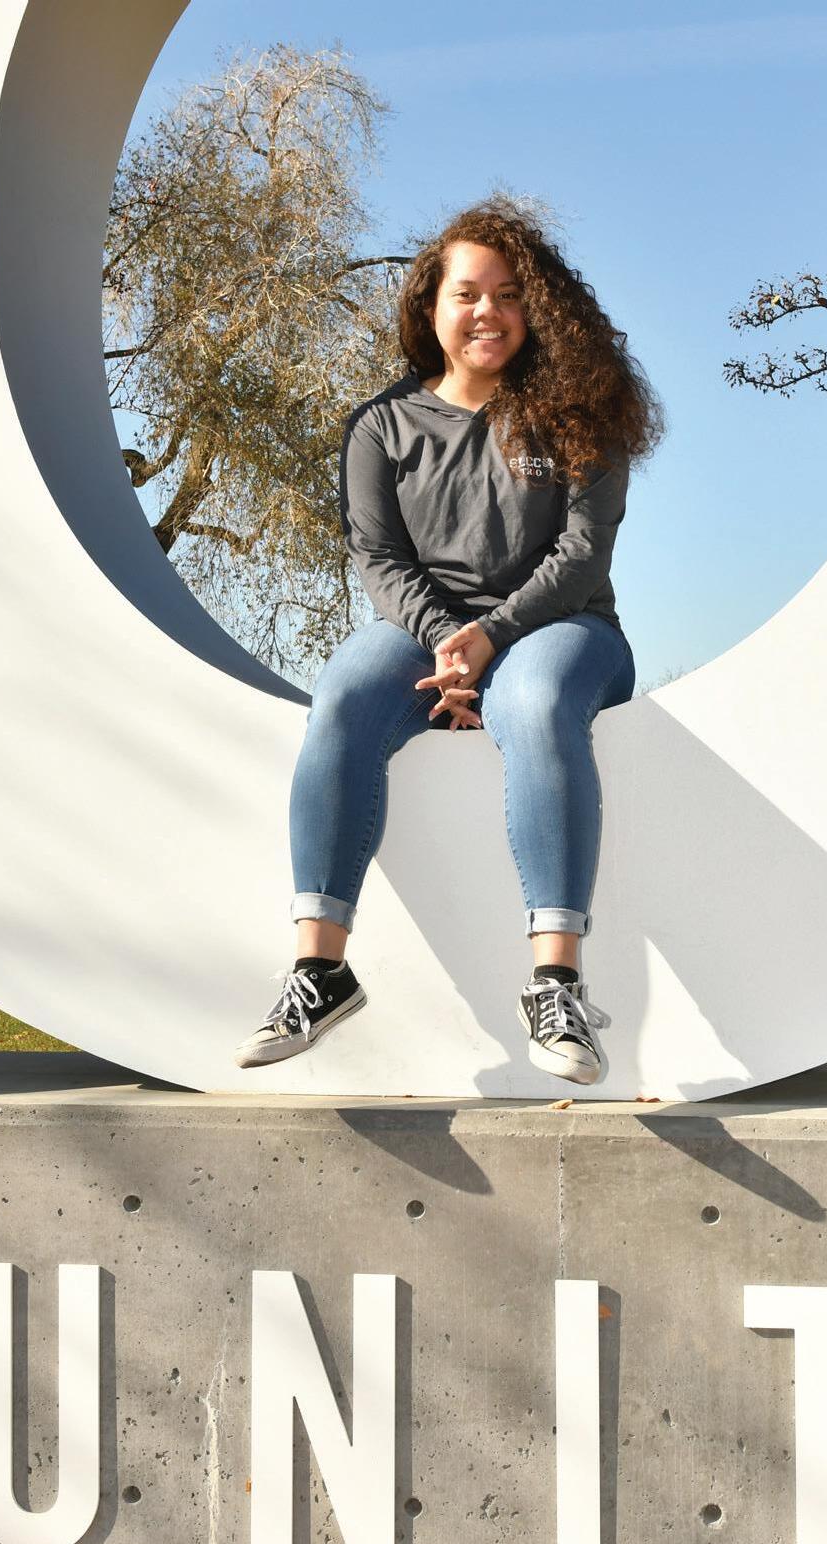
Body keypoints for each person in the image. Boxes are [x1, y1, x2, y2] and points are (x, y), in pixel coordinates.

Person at [233, 195, 663, 1084]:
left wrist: (491, 637)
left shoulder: (581, 415)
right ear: (430, 306)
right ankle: (320, 968)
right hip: (422, 633)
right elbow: (379, 559)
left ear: (537, 310)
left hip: (563, 627)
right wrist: (446, 639)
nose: (487, 312)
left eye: (509, 295)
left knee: (534, 701)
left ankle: (556, 984)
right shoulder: (381, 427)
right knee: (345, 692)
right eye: (467, 293)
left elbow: (583, 555)